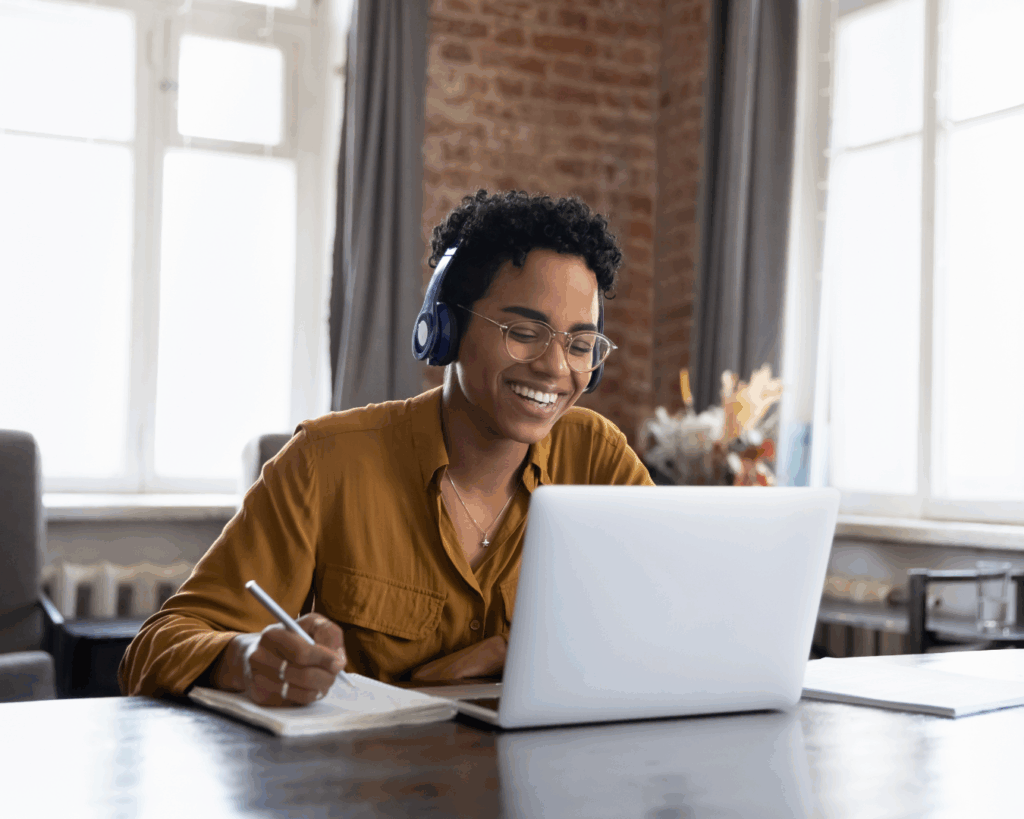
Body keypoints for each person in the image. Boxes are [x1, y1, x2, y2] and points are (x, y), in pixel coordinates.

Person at [119, 190, 655, 704]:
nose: (557, 368)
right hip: (367, 784)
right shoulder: (325, 462)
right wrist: (246, 657)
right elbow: (156, 646)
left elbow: (667, 620)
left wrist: (515, 653)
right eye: (524, 331)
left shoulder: (597, 458)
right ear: (444, 328)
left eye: (581, 345)